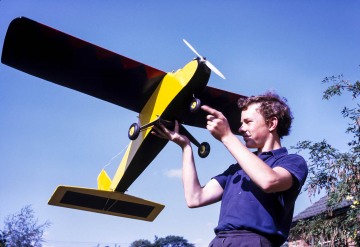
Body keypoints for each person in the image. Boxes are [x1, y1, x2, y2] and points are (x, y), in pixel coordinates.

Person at [152, 92, 308, 247]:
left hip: (254, 243)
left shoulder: (292, 162)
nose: (240, 129)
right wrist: (186, 147)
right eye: (241, 123)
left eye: (248, 122)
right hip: (219, 242)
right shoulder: (236, 169)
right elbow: (194, 198)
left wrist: (226, 136)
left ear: (272, 124)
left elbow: (269, 181)